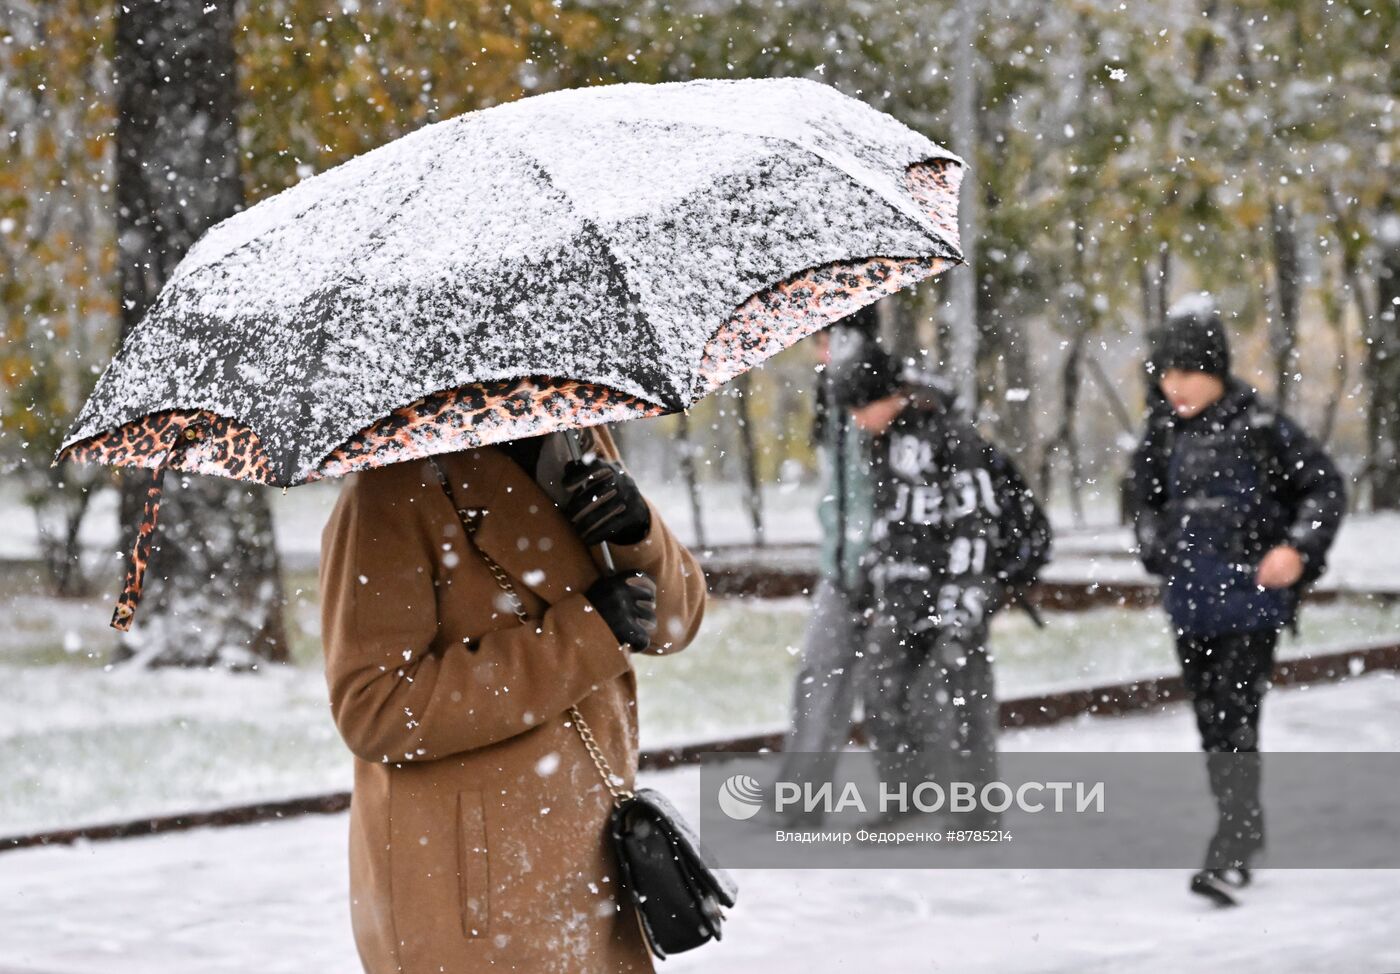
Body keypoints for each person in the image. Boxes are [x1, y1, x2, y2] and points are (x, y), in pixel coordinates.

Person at [319, 423, 707, 973]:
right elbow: (377, 708)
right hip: (471, 888)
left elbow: (672, 624)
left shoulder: (576, 433)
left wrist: (637, 531)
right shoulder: (391, 484)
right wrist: (585, 635)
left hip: (590, 854)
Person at [1128, 293, 1344, 906]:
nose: (1176, 386)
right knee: (1210, 722)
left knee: (1235, 717)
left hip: (1250, 604)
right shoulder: (1161, 433)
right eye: (1166, 374)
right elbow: (1141, 500)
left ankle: (1231, 842)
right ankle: (1243, 823)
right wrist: (1155, 544)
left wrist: (1297, 550)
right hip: (1191, 602)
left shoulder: (1262, 427)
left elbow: (1324, 486)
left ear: (1216, 371)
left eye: (1187, 372)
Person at [853, 356, 1051, 828]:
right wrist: (877, 580)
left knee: (961, 695)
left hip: (958, 586)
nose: (855, 420)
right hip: (903, 589)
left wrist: (963, 598)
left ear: (890, 397)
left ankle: (976, 809)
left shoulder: (953, 436)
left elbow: (974, 522)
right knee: (882, 690)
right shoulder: (884, 442)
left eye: (861, 406)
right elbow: (889, 519)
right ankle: (907, 795)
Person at [777, 308, 883, 825]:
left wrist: (872, 556)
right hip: (839, 568)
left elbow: (876, 493)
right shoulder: (832, 397)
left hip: (880, 570)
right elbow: (838, 493)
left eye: (827, 338)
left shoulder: (877, 393)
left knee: (895, 690)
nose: (820, 350)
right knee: (819, 676)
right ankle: (801, 799)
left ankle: (923, 801)